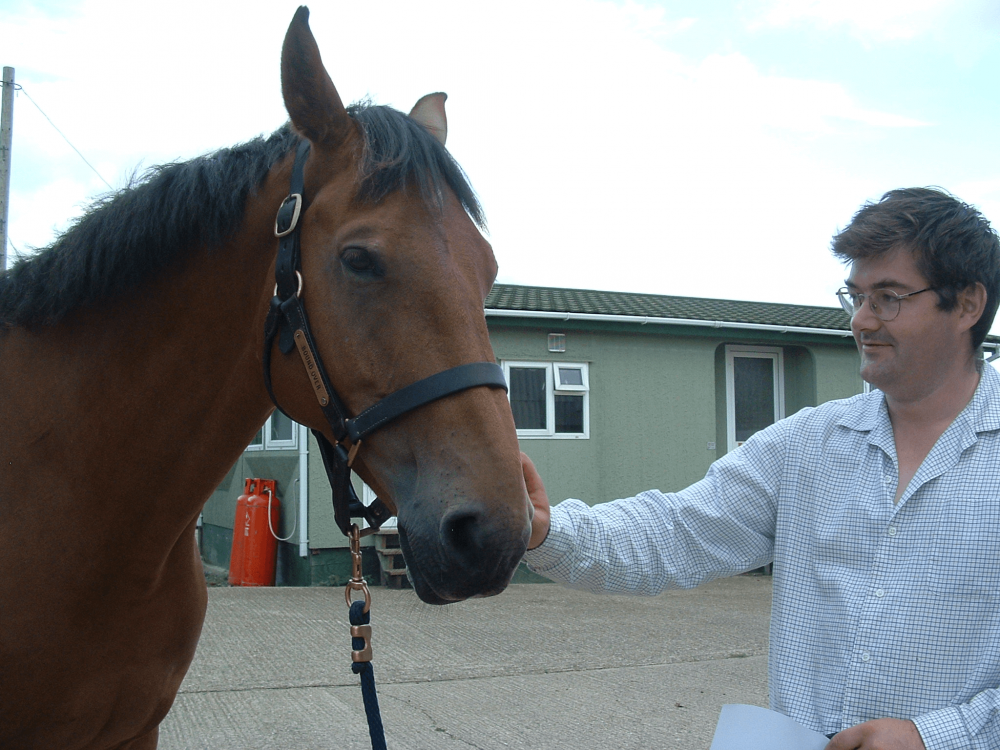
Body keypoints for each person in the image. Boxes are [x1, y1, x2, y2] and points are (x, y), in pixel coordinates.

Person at [521, 187, 1000, 750]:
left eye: (889, 297)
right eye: (857, 297)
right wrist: (546, 531)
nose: (863, 321)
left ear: (967, 304)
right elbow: (676, 531)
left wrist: (936, 737)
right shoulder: (807, 445)